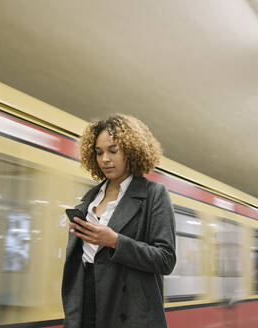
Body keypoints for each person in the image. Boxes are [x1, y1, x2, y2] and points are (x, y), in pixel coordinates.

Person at [62, 114, 176, 328]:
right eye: (99, 152)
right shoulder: (90, 198)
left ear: (131, 151)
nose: (105, 159)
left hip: (127, 307)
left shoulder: (154, 194)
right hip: (85, 298)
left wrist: (115, 241)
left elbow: (165, 259)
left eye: (113, 151)